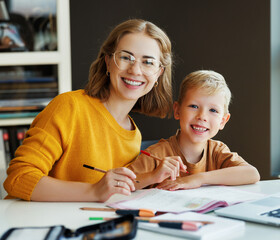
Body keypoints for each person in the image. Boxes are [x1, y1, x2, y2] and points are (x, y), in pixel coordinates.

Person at [3, 19, 179, 202]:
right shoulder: (69, 107)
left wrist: (153, 176)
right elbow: (18, 179)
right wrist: (94, 191)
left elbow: (114, 187)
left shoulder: (134, 135)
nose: (135, 70)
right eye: (126, 57)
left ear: (159, 73)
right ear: (108, 61)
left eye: (148, 62)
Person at [129, 70, 260, 190]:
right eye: (194, 106)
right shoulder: (158, 154)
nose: (202, 116)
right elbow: (123, 185)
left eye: (213, 110)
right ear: (177, 110)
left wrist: (198, 179)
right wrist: (153, 176)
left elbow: (252, 174)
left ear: (223, 121)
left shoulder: (217, 151)